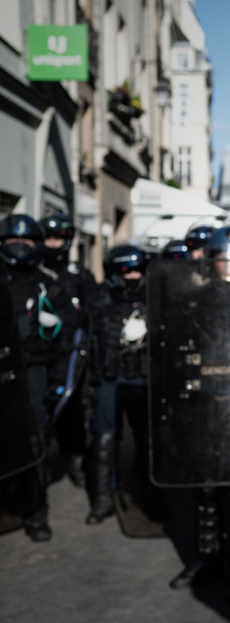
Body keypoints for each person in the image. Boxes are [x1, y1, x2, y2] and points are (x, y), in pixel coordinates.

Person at [166, 225, 230, 604]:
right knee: (205, 489)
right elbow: (182, 348)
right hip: (205, 405)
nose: (228, 265)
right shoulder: (196, 300)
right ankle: (207, 558)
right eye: (222, 258)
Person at [0, 214, 73, 542]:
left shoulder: (49, 284)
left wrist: (59, 381)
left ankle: (35, 512)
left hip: (36, 371)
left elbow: (66, 339)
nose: (20, 247)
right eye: (13, 241)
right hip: (3, 370)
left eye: (28, 241)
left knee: (36, 442)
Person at [85, 244, 162, 525]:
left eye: (138, 270)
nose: (132, 276)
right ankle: (103, 499)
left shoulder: (153, 297)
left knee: (146, 439)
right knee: (104, 437)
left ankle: (150, 497)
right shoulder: (98, 297)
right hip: (108, 377)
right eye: (126, 270)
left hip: (142, 378)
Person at [39, 211, 99, 489]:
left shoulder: (79, 275)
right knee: (40, 413)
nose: (53, 244)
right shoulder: (33, 272)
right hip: (41, 356)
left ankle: (75, 461)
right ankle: (38, 468)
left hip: (74, 357)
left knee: (74, 412)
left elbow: (95, 312)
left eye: (58, 238)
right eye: (48, 238)